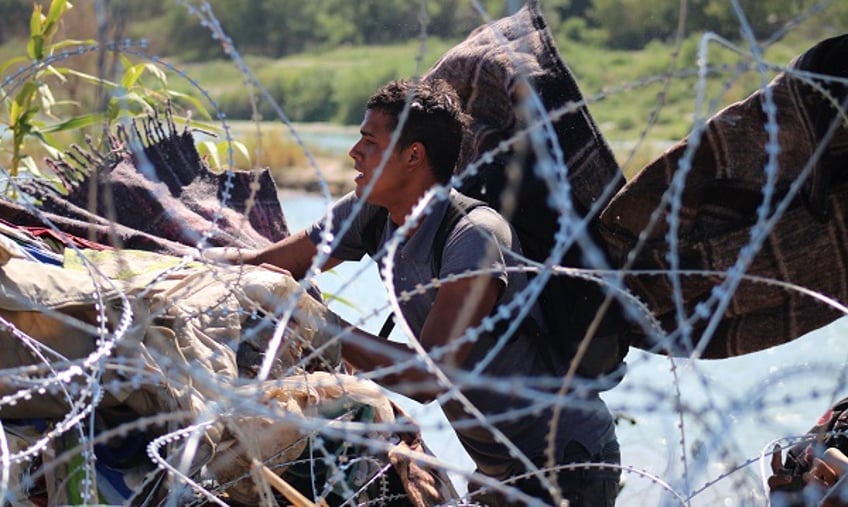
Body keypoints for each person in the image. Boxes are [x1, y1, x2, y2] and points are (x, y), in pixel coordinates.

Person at [206, 78, 620, 506]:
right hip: (497, 468)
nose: (354, 152)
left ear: (413, 156)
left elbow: (430, 377)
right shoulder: (371, 212)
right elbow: (277, 264)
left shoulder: (474, 238)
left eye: (369, 140)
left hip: (566, 465)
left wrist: (314, 322)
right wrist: (180, 265)